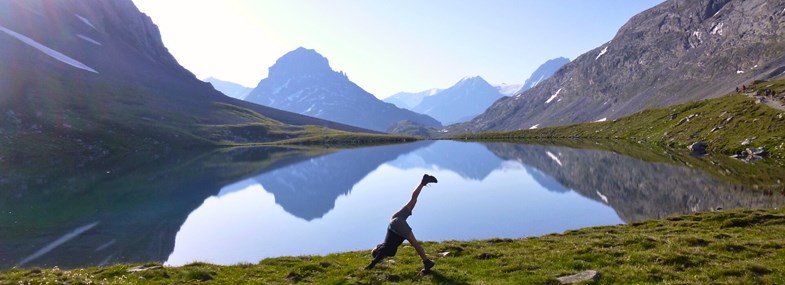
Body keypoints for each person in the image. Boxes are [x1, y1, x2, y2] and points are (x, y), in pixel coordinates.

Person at [365, 174, 438, 272]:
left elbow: (380, 254)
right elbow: (380, 252)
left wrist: (371, 266)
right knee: (413, 200)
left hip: (397, 227)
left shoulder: (384, 250)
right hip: (393, 220)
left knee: (415, 244)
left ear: (378, 253)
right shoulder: (384, 246)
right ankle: (423, 182)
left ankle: (427, 262)